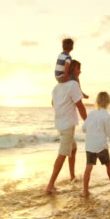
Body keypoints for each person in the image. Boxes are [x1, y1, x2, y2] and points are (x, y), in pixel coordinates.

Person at [46, 60, 88, 194]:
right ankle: (50, 185)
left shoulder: (56, 87)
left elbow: (53, 103)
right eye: (78, 70)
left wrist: (63, 109)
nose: (79, 72)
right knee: (63, 153)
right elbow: (80, 106)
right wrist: (88, 123)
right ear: (71, 71)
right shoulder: (73, 84)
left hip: (60, 123)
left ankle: (72, 177)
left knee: (73, 148)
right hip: (67, 125)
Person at [81, 91, 110, 197]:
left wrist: (91, 132)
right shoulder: (106, 116)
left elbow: (83, 128)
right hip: (101, 145)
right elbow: (109, 132)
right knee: (108, 165)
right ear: (108, 102)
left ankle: (85, 190)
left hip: (90, 145)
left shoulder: (92, 114)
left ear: (97, 101)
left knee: (89, 166)